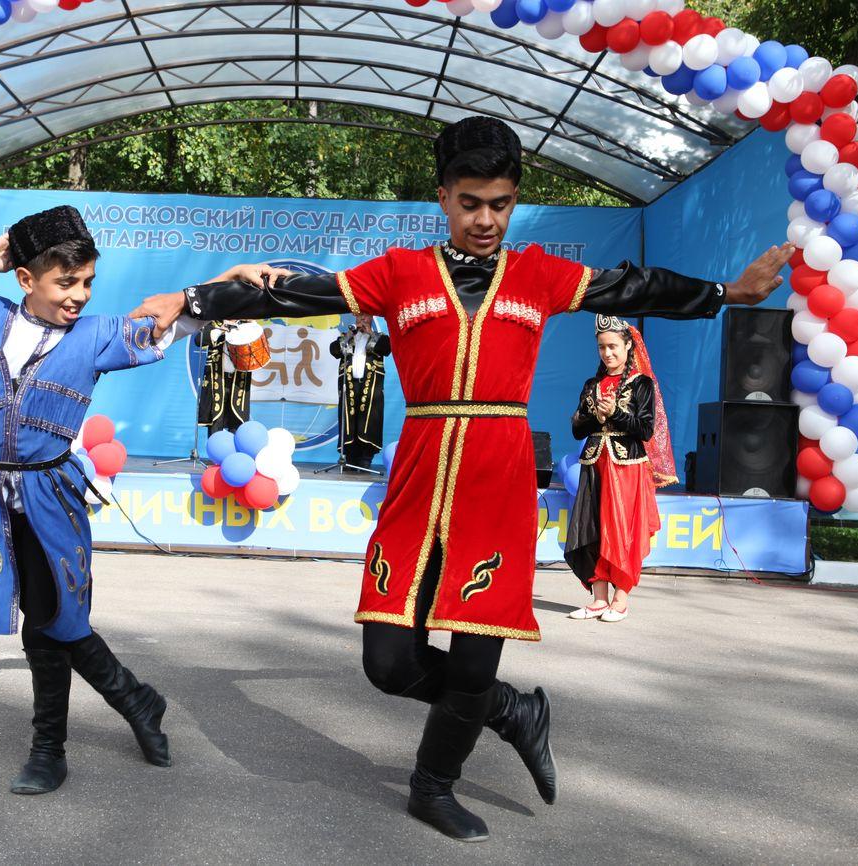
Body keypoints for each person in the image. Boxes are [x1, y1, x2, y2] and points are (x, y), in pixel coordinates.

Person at [130, 115, 794, 841]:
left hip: (497, 480)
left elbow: (633, 288)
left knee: (475, 656)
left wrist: (727, 291)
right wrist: (189, 302)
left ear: (514, 201)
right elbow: (291, 296)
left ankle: (433, 784)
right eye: (471, 202)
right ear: (443, 196)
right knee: (387, 662)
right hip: (418, 476)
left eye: (500, 204)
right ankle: (515, 712)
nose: (486, 219)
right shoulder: (400, 274)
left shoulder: (540, 275)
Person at [0, 205, 245, 797]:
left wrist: (226, 282)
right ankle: (133, 701)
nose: (79, 295)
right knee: (45, 620)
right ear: (26, 279)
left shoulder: (97, 335)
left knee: (54, 618)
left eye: (87, 283)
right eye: (65, 282)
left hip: (51, 495)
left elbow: (173, 325)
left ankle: (51, 747)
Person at [565, 317, 675, 622]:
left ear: (628, 345)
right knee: (590, 528)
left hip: (626, 468)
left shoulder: (642, 384)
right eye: (602, 347)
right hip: (593, 463)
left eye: (613, 346)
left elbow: (645, 430)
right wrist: (596, 417)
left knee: (621, 530)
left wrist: (615, 413)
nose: (607, 352)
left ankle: (620, 600)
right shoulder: (592, 384)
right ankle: (598, 599)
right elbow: (577, 428)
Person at [329, 313, 392, 470]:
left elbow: (387, 347)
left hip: (370, 387)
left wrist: (370, 333)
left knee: (369, 420)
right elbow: (334, 350)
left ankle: (365, 458)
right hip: (349, 385)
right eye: (359, 318)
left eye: (365, 317)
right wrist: (350, 334)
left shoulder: (379, 336)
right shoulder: (348, 337)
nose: (362, 321)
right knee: (349, 420)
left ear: (371, 319)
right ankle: (349, 457)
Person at [195, 321, 252, 434]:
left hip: (238, 380)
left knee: (237, 421)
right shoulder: (214, 322)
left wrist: (249, 327)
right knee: (216, 420)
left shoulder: (246, 324)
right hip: (217, 378)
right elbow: (198, 340)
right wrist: (221, 330)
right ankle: (215, 450)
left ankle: (237, 451)